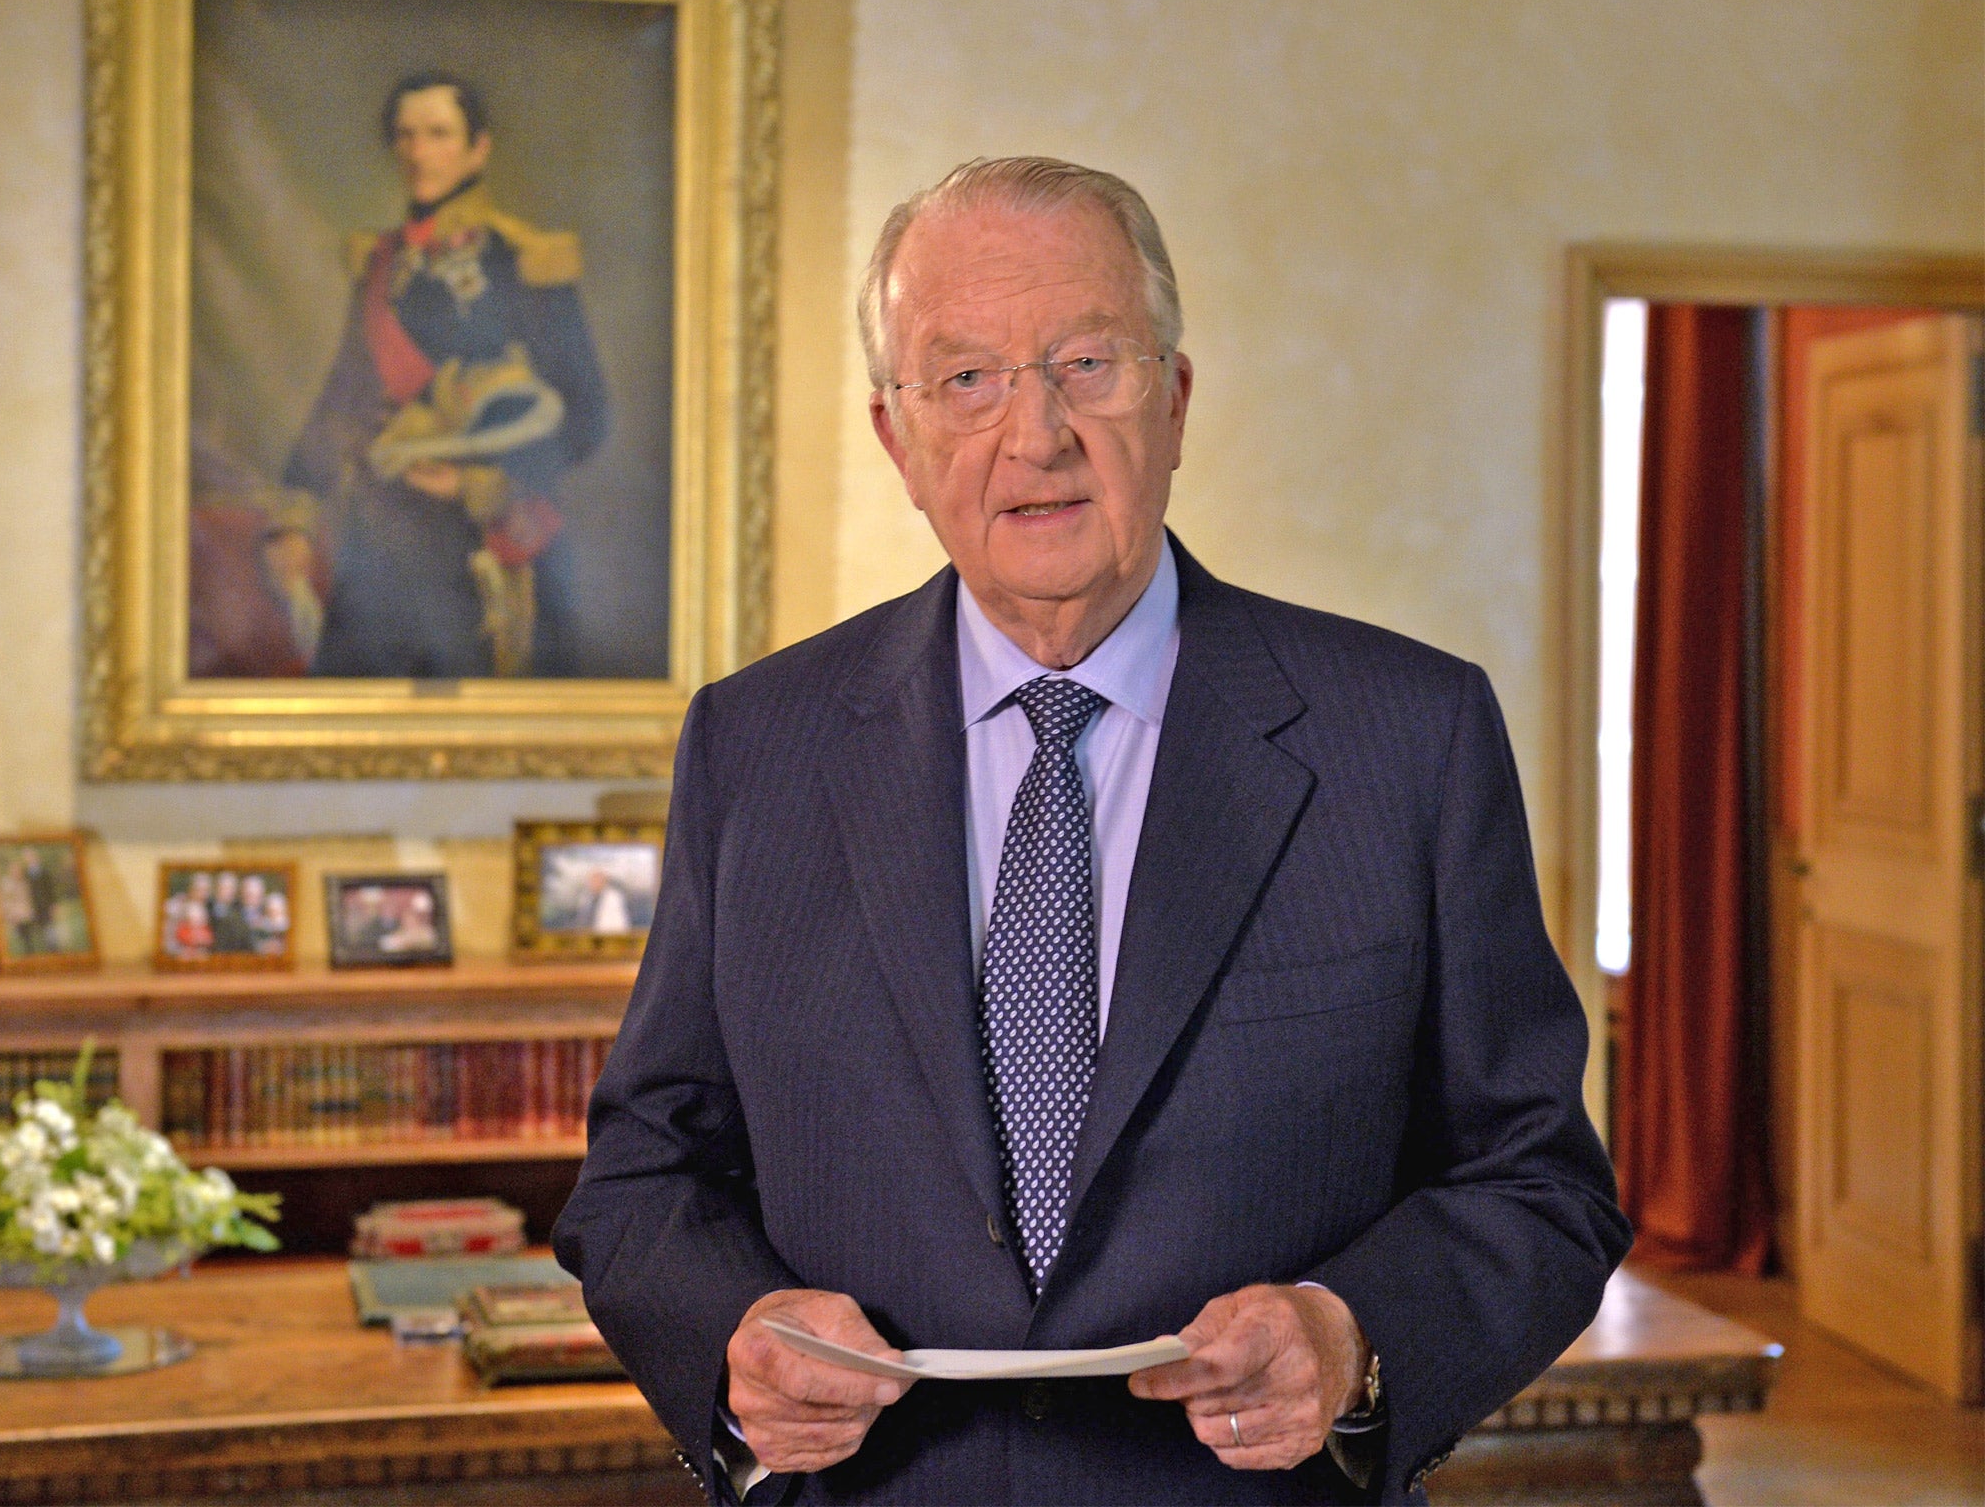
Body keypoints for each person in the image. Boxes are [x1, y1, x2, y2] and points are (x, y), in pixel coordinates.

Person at [554, 157, 1628, 1505]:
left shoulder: (1407, 736)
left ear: (1174, 402)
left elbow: (1540, 1185)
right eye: (966, 380)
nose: (1035, 433)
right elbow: (646, 1172)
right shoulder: (754, 746)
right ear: (896, 437)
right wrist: (732, 1335)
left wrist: (1352, 1339)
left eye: (1086, 363)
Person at [279, 71, 609, 678]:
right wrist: (298, 515)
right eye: (405, 136)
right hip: (377, 544)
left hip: (484, 549)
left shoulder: (525, 259)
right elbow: (342, 398)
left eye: (438, 134)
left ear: (477, 148)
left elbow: (586, 414)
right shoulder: (381, 263)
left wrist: (475, 483)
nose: (418, 152)